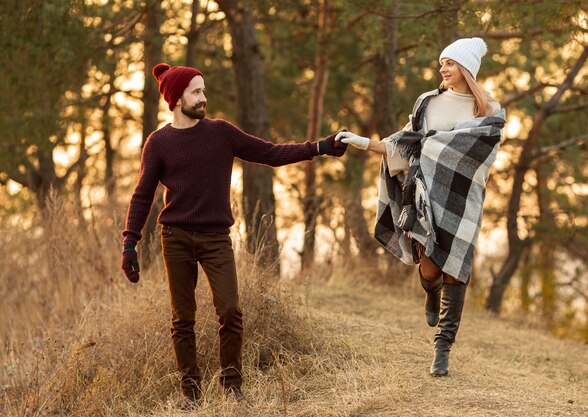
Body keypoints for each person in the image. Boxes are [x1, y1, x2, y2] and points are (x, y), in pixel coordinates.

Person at [120, 63, 347, 404]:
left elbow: (270, 153)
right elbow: (142, 194)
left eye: (204, 90)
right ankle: (191, 393)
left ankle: (232, 386)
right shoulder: (158, 143)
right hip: (176, 237)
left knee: (230, 310)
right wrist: (129, 243)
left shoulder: (221, 133)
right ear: (175, 97)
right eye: (196, 92)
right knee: (182, 318)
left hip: (215, 238)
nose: (203, 98)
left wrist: (319, 147)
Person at [337, 38, 506, 376]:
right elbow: (404, 143)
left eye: (450, 63)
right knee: (430, 270)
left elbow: (476, 152)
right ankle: (430, 291)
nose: (443, 68)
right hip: (423, 196)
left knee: (456, 271)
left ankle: (442, 349)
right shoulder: (427, 102)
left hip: (462, 200)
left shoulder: (488, 110)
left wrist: (432, 147)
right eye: (442, 62)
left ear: (466, 69)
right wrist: (363, 143)